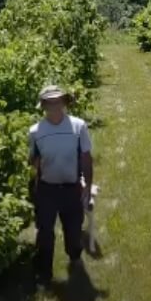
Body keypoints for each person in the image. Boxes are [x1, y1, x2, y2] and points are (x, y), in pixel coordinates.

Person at [29, 84, 94, 283]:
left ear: (65, 103)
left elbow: (85, 157)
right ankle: (45, 273)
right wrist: (33, 189)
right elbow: (33, 162)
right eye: (50, 103)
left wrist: (88, 187)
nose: (54, 106)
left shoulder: (78, 126)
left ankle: (74, 256)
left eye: (58, 102)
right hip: (47, 189)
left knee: (74, 231)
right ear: (44, 106)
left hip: (71, 187)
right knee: (45, 232)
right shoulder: (35, 131)